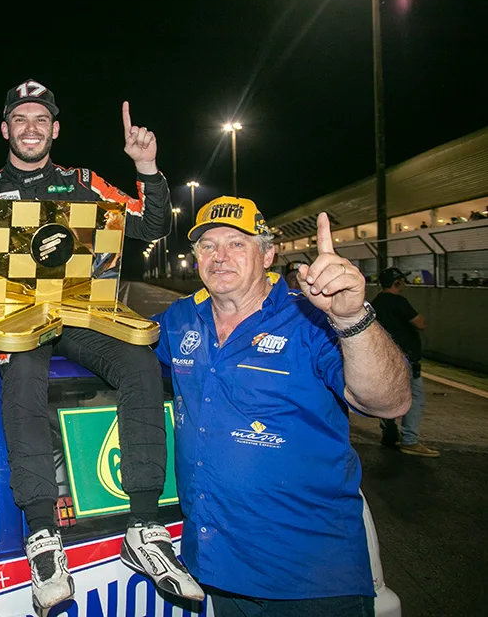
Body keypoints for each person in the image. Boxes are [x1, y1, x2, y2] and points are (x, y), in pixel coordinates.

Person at [0, 79, 202, 610]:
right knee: (21, 374)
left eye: (40, 119)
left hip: (81, 315)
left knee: (139, 362)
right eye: (20, 119)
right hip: (17, 321)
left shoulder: (84, 181)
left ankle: (144, 524)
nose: (30, 128)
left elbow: (151, 225)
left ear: (55, 129)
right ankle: (42, 532)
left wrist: (147, 169)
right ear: (5, 129)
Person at [152, 196, 410, 616]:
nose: (220, 257)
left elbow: (391, 401)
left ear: (268, 254)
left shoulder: (310, 319)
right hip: (218, 570)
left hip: (311, 577)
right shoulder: (181, 319)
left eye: (237, 243)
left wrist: (352, 320)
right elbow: (117, 347)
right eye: (208, 245)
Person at [373, 267, 438, 457]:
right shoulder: (399, 301)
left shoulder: (376, 302)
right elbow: (420, 323)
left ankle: (389, 433)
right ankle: (409, 440)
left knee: (387, 397)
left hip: (383, 357)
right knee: (415, 398)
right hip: (404, 358)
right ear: (397, 283)